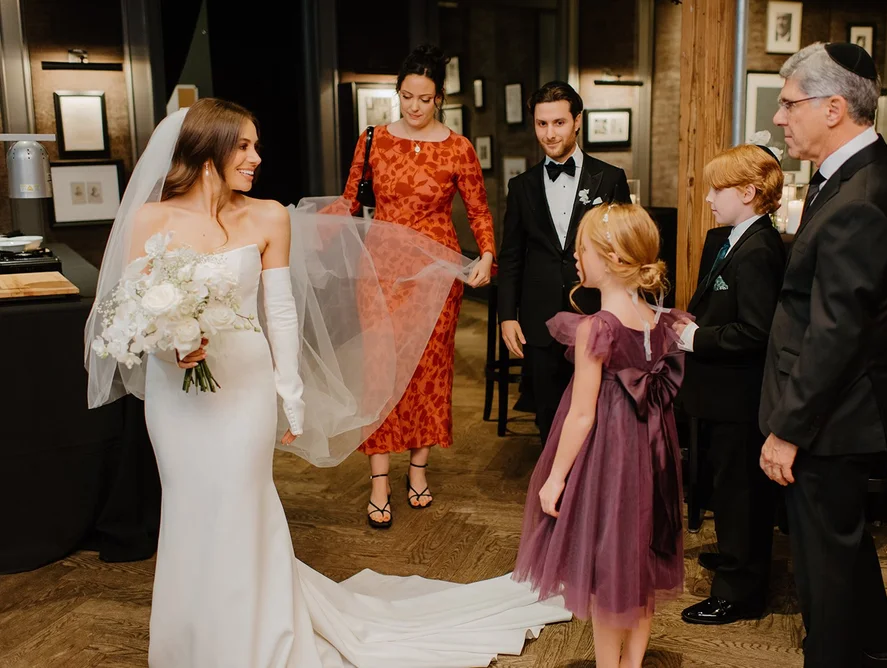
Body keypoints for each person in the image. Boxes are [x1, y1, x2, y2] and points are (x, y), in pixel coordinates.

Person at [84, 98, 570, 668]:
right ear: (207, 152)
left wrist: (289, 394)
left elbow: (281, 311)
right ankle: (194, 643)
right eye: (243, 145)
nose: (256, 158)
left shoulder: (267, 216)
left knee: (242, 504)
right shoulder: (149, 220)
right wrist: (173, 344)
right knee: (189, 509)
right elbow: (132, 311)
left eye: (255, 145)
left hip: (244, 389)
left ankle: (258, 640)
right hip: (175, 398)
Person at [759, 43, 887, 668]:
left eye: (789, 103)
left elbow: (836, 333)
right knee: (843, 547)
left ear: (833, 108)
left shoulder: (861, 197)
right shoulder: (858, 174)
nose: (780, 118)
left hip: (833, 415)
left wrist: (787, 431)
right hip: (840, 405)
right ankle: (880, 653)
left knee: (822, 568)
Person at [327, 45, 495, 528]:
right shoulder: (373, 138)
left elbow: (479, 211)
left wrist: (486, 254)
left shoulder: (459, 148)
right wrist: (299, 226)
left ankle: (417, 469)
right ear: (397, 94)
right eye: (406, 96)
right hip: (379, 269)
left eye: (424, 98)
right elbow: (348, 201)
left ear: (439, 97)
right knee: (380, 370)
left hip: (437, 273)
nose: (414, 107)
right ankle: (380, 480)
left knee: (429, 370)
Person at [514, 203, 686, 668]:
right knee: (641, 563)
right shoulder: (658, 321)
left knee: (611, 566)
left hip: (611, 453)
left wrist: (555, 478)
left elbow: (581, 417)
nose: (575, 256)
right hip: (653, 454)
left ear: (609, 256)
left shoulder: (597, 329)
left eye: (582, 248)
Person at [674, 139, 786, 625]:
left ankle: (740, 591)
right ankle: (737, 556)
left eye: (717, 188)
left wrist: (697, 339)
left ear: (748, 191)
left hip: (742, 393)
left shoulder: (760, 248)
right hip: (719, 390)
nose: (709, 198)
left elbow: (758, 332)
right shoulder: (727, 238)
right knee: (727, 482)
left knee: (742, 490)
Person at [497, 81, 631, 443]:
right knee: (547, 411)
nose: (550, 133)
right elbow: (510, 256)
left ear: (577, 122)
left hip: (594, 312)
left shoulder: (609, 179)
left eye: (558, 123)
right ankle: (554, 485)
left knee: (598, 407)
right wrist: (507, 315)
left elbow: (626, 249)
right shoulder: (521, 186)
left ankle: (589, 489)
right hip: (538, 317)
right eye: (542, 124)